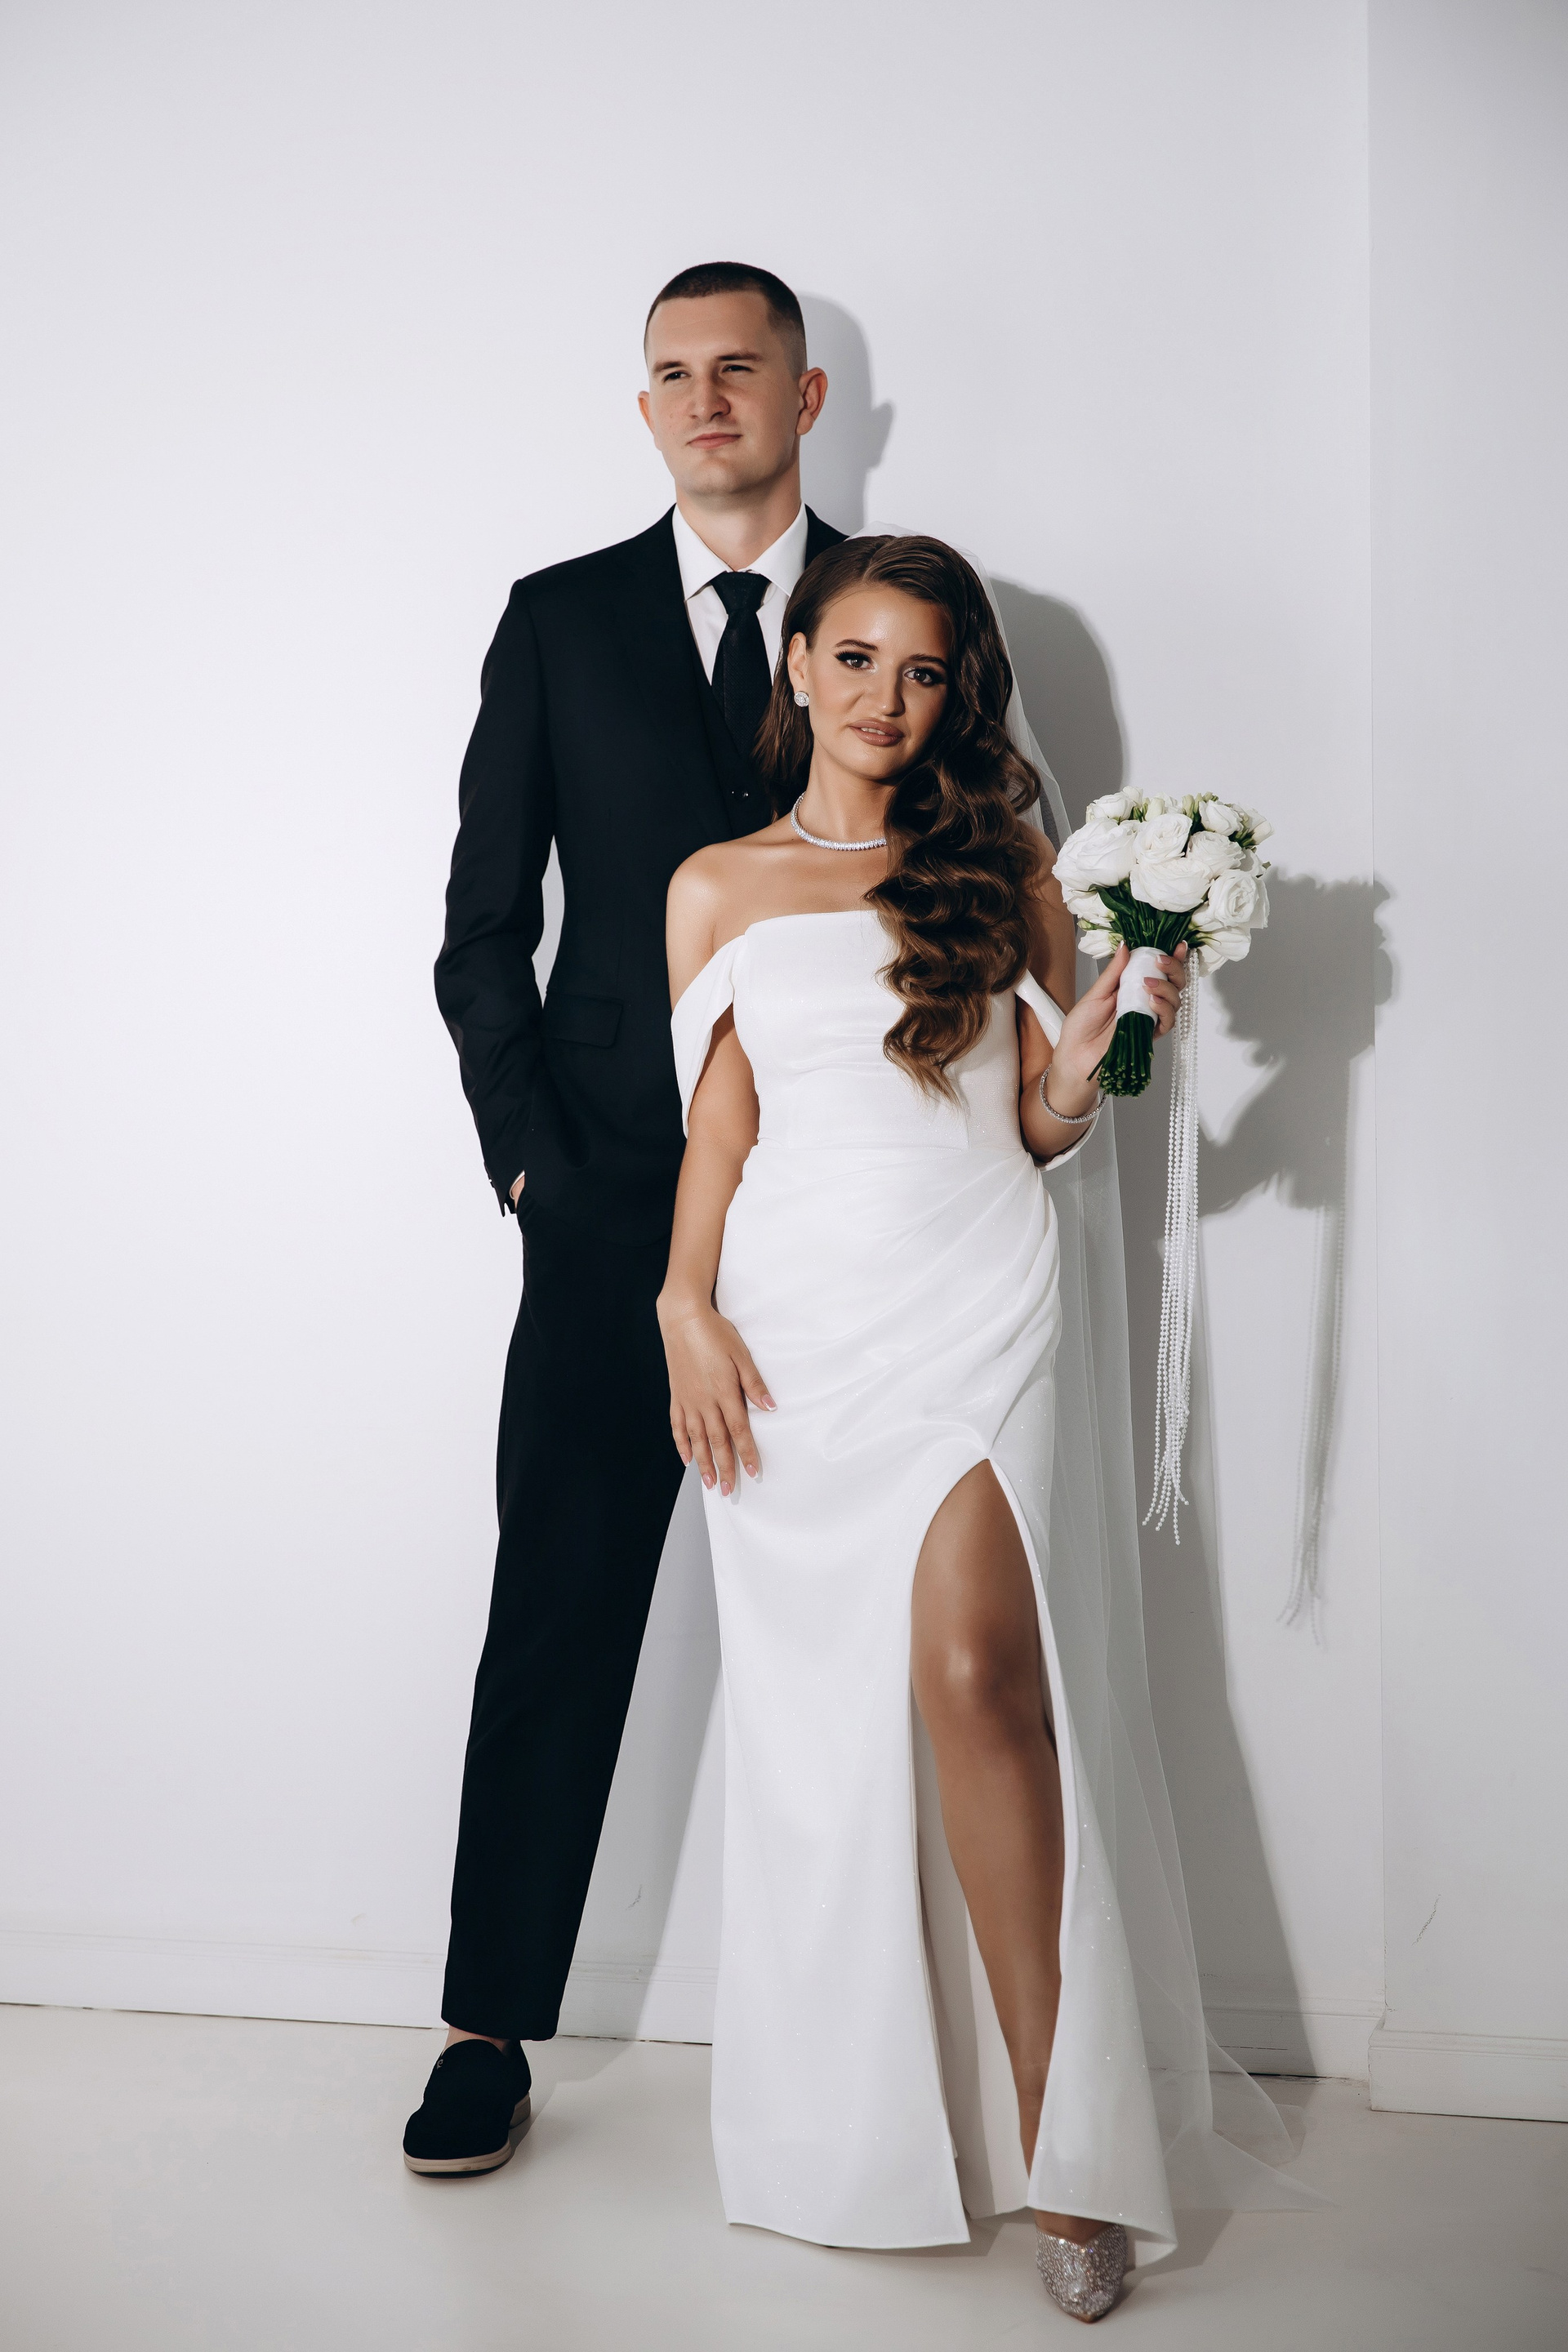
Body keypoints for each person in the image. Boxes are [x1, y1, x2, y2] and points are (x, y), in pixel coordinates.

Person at [659, 534, 1187, 2322]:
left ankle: (1068, 2145)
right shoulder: (717, 886)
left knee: (978, 1676)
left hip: (976, 1299)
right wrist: (682, 1306)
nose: (888, 698)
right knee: (819, 1738)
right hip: (792, 1342)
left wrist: (1098, 1048)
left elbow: (1039, 1115)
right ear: (797, 661)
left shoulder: (1002, 865)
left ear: (959, 693)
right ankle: (858, 2132)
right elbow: (719, 1129)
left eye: (927, 670)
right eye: (858, 657)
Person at [404, 262, 844, 2176]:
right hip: (603, 1203)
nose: (704, 399)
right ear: (645, 407)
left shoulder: (896, 609)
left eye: (738, 368)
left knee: (875, 1615)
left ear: (806, 396)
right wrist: (530, 1161)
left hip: (846, 1201)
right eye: (671, 374)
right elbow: (481, 928)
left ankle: (892, 2043)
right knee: (560, 1611)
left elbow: (968, 870)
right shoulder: (559, 619)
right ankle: (485, 2028)